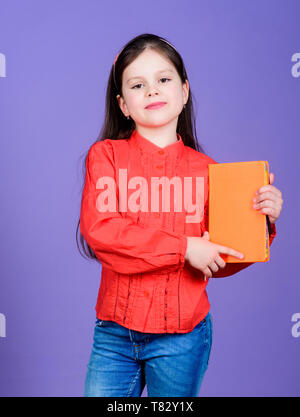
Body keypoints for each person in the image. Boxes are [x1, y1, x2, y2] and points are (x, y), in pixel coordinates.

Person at [76, 33, 283, 397]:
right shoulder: (105, 156)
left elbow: (221, 256)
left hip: (183, 338)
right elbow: (104, 231)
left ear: (184, 92)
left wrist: (261, 221)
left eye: (164, 79)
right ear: (124, 105)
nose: (153, 91)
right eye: (138, 85)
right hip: (114, 334)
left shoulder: (209, 172)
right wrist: (185, 247)